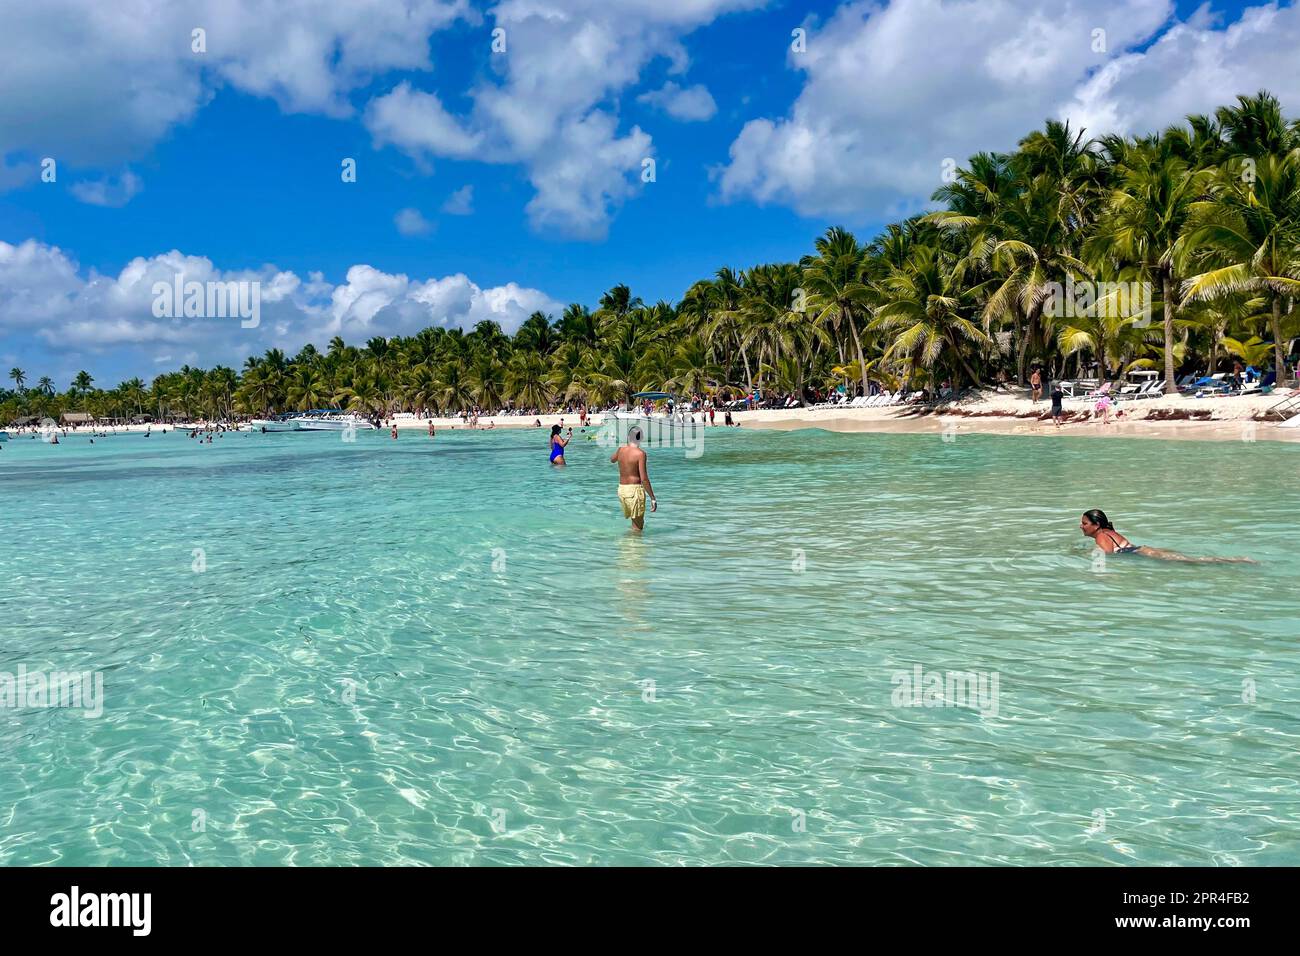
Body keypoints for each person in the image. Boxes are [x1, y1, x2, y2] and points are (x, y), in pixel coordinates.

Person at [1080, 510, 1254, 563]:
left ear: (1096, 525)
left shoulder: (1101, 536)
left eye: (1085, 523)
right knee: (1191, 559)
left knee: (1195, 562)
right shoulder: (1108, 532)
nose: (1081, 526)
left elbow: (1107, 555)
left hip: (1143, 553)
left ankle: (1238, 560)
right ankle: (1235, 560)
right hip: (1143, 549)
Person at [610, 427, 656, 531]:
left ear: (628, 437)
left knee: (635, 523)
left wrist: (621, 455)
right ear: (641, 438)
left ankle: (630, 545)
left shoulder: (621, 449)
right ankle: (632, 546)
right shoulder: (640, 454)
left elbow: (612, 459)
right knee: (638, 527)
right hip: (634, 491)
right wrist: (652, 497)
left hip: (622, 490)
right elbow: (644, 479)